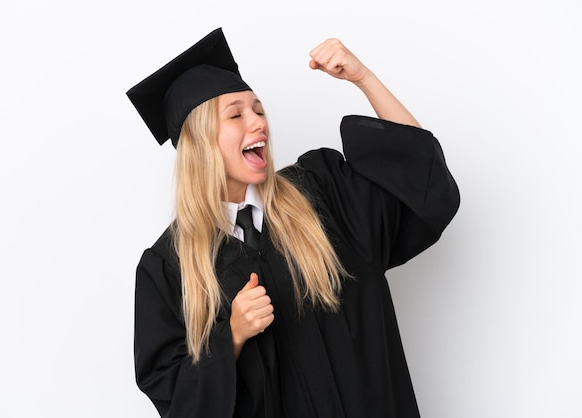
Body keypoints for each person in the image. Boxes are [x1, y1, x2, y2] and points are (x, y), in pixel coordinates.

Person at [127, 28, 460, 418]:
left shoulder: (322, 192)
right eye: (236, 114)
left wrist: (364, 79)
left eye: (259, 110)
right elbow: (174, 398)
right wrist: (231, 336)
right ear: (200, 144)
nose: (258, 123)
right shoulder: (170, 267)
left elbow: (421, 180)